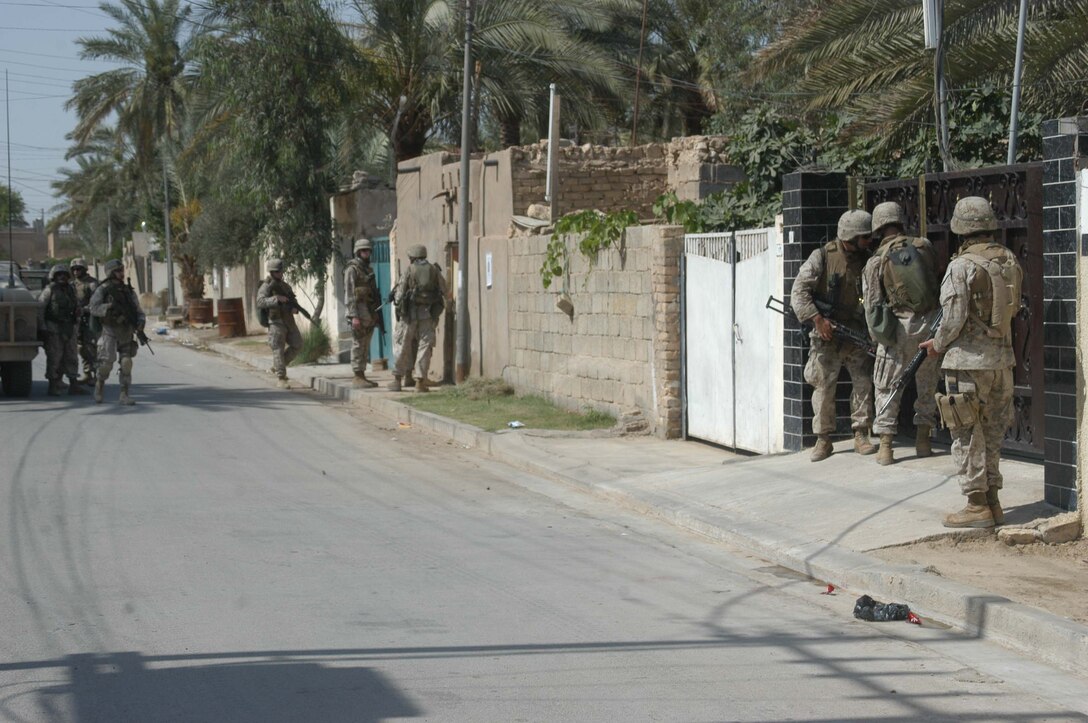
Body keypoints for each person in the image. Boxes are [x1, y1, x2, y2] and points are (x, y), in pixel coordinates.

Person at [919, 196, 1023, 528]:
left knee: (966, 435)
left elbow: (952, 319)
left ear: (961, 230)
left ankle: (976, 505)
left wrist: (935, 345)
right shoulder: (1008, 259)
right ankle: (993, 500)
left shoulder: (960, 266)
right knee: (993, 434)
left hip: (967, 365)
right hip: (1002, 363)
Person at [791, 209, 876, 462]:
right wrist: (818, 320)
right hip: (826, 334)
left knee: (862, 383)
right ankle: (823, 439)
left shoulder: (867, 259)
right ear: (851, 236)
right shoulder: (821, 257)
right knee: (823, 387)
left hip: (855, 332)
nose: (869, 241)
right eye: (865, 236)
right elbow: (799, 291)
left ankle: (861, 434)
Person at [862, 202, 941, 465]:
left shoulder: (876, 261)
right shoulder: (924, 246)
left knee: (887, 386)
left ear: (877, 228)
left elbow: (873, 305)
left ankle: (886, 448)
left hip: (897, 330)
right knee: (927, 385)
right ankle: (923, 441)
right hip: (929, 326)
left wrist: (877, 339)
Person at [388, 244, 448, 392]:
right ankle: (420, 382)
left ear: (412, 257)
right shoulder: (434, 270)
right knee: (424, 347)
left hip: (409, 315)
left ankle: (397, 380)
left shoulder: (409, 270)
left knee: (402, 345)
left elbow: (400, 294)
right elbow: (445, 290)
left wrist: (395, 299)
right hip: (428, 315)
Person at [88, 259, 145, 405]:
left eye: (122, 270)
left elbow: (138, 310)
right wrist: (109, 307)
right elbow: (93, 308)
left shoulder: (128, 291)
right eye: (118, 271)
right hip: (109, 330)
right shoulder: (103, 289)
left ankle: (124, 394)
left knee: (126, 362)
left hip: (126, 330)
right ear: (111, 272)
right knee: (106, 363)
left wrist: (140, 323)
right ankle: (99, 386)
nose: (121, 273)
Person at [256, 258, 303, 389]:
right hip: (276, 321)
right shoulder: (266, 286)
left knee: (298, 344)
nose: (280, 273)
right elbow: (260, 302)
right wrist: (276, 299)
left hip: (288, 320)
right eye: (277, 271)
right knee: (278, 349)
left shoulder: (285, 286)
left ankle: (277, 366)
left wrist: (295, 308)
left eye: (281, 271)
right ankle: (281, 377)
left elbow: (292, 302)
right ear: (271, 272)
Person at [39, 264, 84, 396]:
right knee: (55, 358)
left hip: (69, 328)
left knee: (72, 356)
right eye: (59, 275)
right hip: (53, 328)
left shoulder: (71, 290)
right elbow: (40, 309)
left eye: (64, 274)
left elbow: (76, 306)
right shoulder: (49, 290)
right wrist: (43, 327)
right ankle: (53, 385)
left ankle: (73, 384)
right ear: (54, 276)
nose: (62, 277)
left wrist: (78, 316)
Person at [344, 238, 381, 388]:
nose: (367, 253)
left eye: (368, 250)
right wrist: (353, 316)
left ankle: (362, 374)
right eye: (364, 251)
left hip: (369, 310)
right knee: (358, 343)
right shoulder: (352, 269)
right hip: (358, 311)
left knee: (366, 343)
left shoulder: (368, 269)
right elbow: (350, 294)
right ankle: (357, 375)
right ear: (358, 252)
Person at [70, 257, 99, 385]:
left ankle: (96, 374)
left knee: (91, 347)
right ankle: (87, 373)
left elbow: (97, 303)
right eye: (74, 269)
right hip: (76, 320)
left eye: (78, 269)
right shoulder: (72, 284)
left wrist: (84, 309)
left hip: (90, 319)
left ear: (84, 269)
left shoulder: (92, 284)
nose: (76, 272)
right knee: (81, 348)